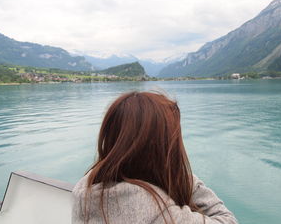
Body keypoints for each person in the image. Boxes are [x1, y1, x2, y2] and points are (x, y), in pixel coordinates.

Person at [72, 91, 238, 224]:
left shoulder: (85, 190)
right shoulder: (157, 212)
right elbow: (227, 220)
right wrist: (179, 174)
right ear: (159, 148)